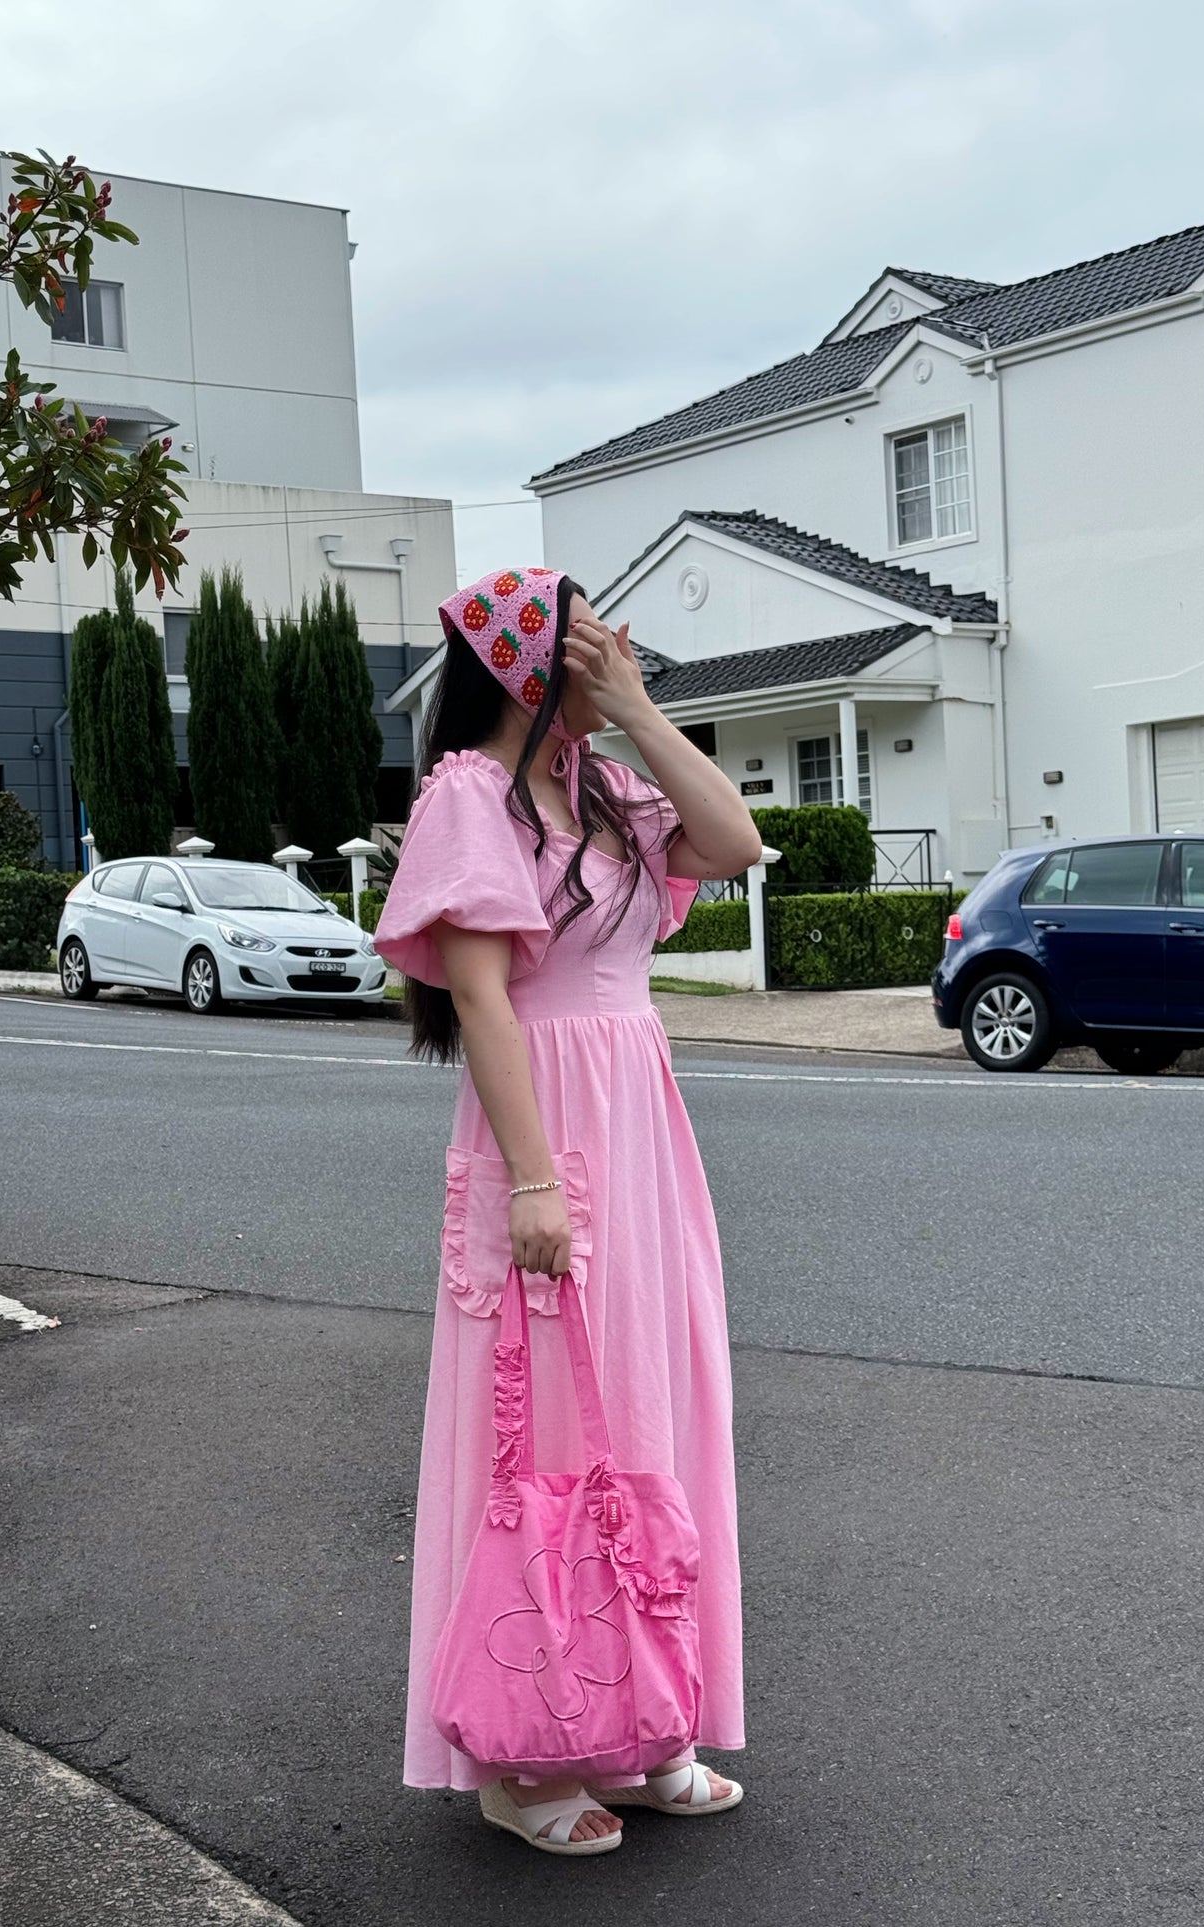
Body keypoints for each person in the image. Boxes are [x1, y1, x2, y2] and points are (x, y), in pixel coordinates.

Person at [377, 566, 762, 1856]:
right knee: (539, 1434)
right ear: (530, 664)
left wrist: (640, 710)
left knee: (655, 1407)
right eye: (594, 641)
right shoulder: (470, 795)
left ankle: (642, 1726)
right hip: (546, 1131)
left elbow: (735, 843)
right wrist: (533, 1181)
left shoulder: (604, 789)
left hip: (640, 1128)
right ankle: (524, 1757)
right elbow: (483, 998)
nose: (619, 651)